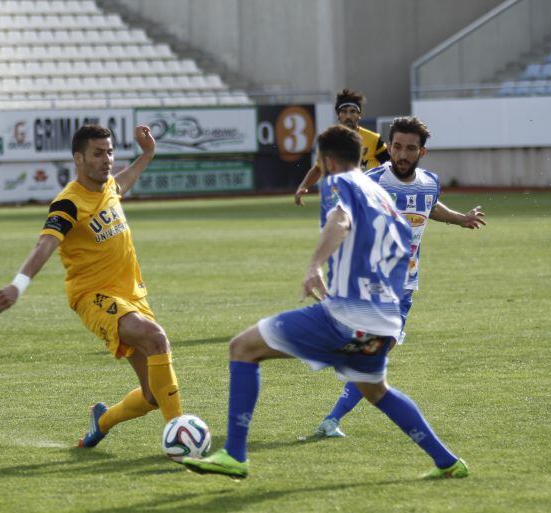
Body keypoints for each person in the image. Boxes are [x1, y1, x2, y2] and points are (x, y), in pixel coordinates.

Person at [182, 125, 469, 480]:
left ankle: (235, 454)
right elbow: (401, 249)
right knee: (376, 391)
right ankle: (448, 462)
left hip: (348, 313)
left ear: (326, 160)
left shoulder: (339, 183)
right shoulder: (380, 195)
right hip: (384, 317)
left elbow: (341, 219)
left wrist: (314, 265)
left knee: (242, 348)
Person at [0, 124, 183, 450]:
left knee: (152, 396)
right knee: (156, 337)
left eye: (110, 152)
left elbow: (125, 181)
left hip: (132, 294)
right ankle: (180, 438)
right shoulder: (68, 204)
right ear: (79, 158)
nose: (107, 160)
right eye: (98, 153)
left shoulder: (109, 188)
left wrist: (147, 153)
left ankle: (101, 421)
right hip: (94, 297)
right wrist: (17, 286)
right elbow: (44, 246)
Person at [313, 116, 486, 439]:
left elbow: (430, 206)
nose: (402, 154)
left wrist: (461, 219)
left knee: (371, 357)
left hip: (403, 288)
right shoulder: (372, 181)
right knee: (372, 357)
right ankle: (331, 419)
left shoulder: (430, 182)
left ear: (422, 152)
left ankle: (332, 414)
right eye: (396, 147)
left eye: (410, 148)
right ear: (388, 147)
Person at [294, 88, 389, 206]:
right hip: (340, 199)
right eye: (344, 111)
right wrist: (302, 187)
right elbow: (319, 168)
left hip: (368, 200)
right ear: (338, 115)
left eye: (353, 111)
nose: (348, 115)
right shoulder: (330, 140)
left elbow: (390, 166)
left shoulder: (374, 139)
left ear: (359, 115)